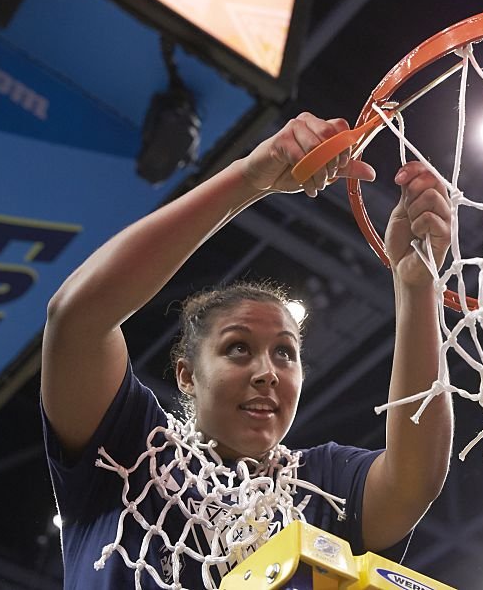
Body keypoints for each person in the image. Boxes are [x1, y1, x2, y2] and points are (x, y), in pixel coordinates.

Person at [40, 113, 454, 589]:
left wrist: (417, 285)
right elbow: (75, 319)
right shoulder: (132, 451)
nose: (268, 372)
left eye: (285, 353)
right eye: (238, 349)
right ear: (186, 376)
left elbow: (415, 479)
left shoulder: (321, 485)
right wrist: (248, 179)